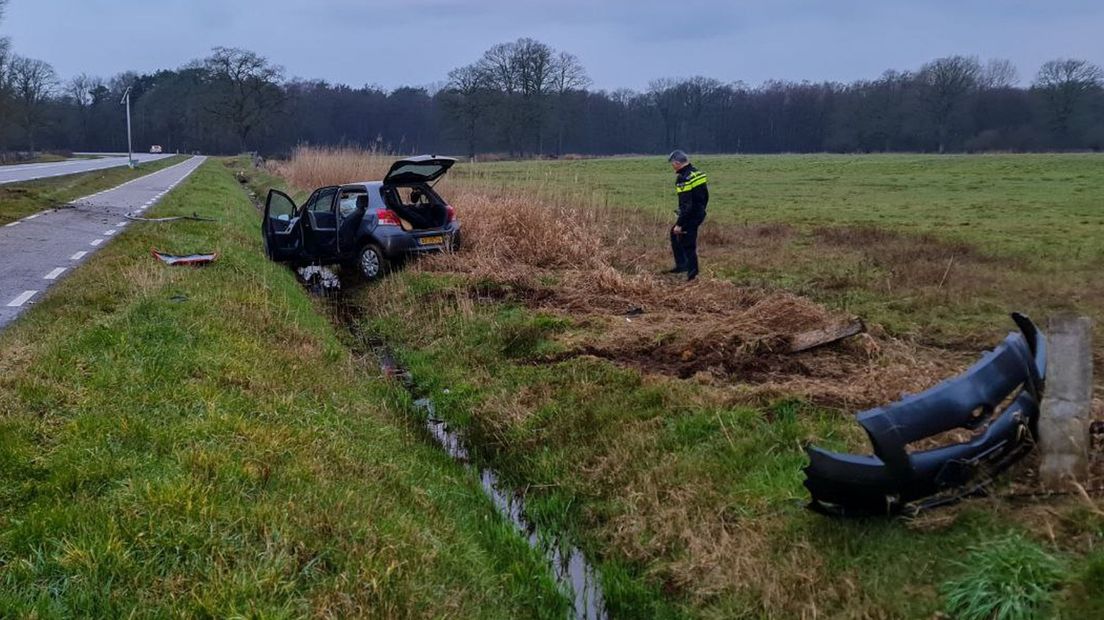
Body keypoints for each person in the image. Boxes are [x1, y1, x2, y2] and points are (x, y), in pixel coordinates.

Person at [666, 150, 708, 281]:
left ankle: (692, 274)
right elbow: (705, 196)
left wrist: (680, 223)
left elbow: (686, 205)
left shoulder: (683, 179)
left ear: (677, 163)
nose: (672, 166)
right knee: (674, 235)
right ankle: (682, 265)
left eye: (673, 164)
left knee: (688, 243)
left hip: (690, 215)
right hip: (699, 211)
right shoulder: (698, 173)